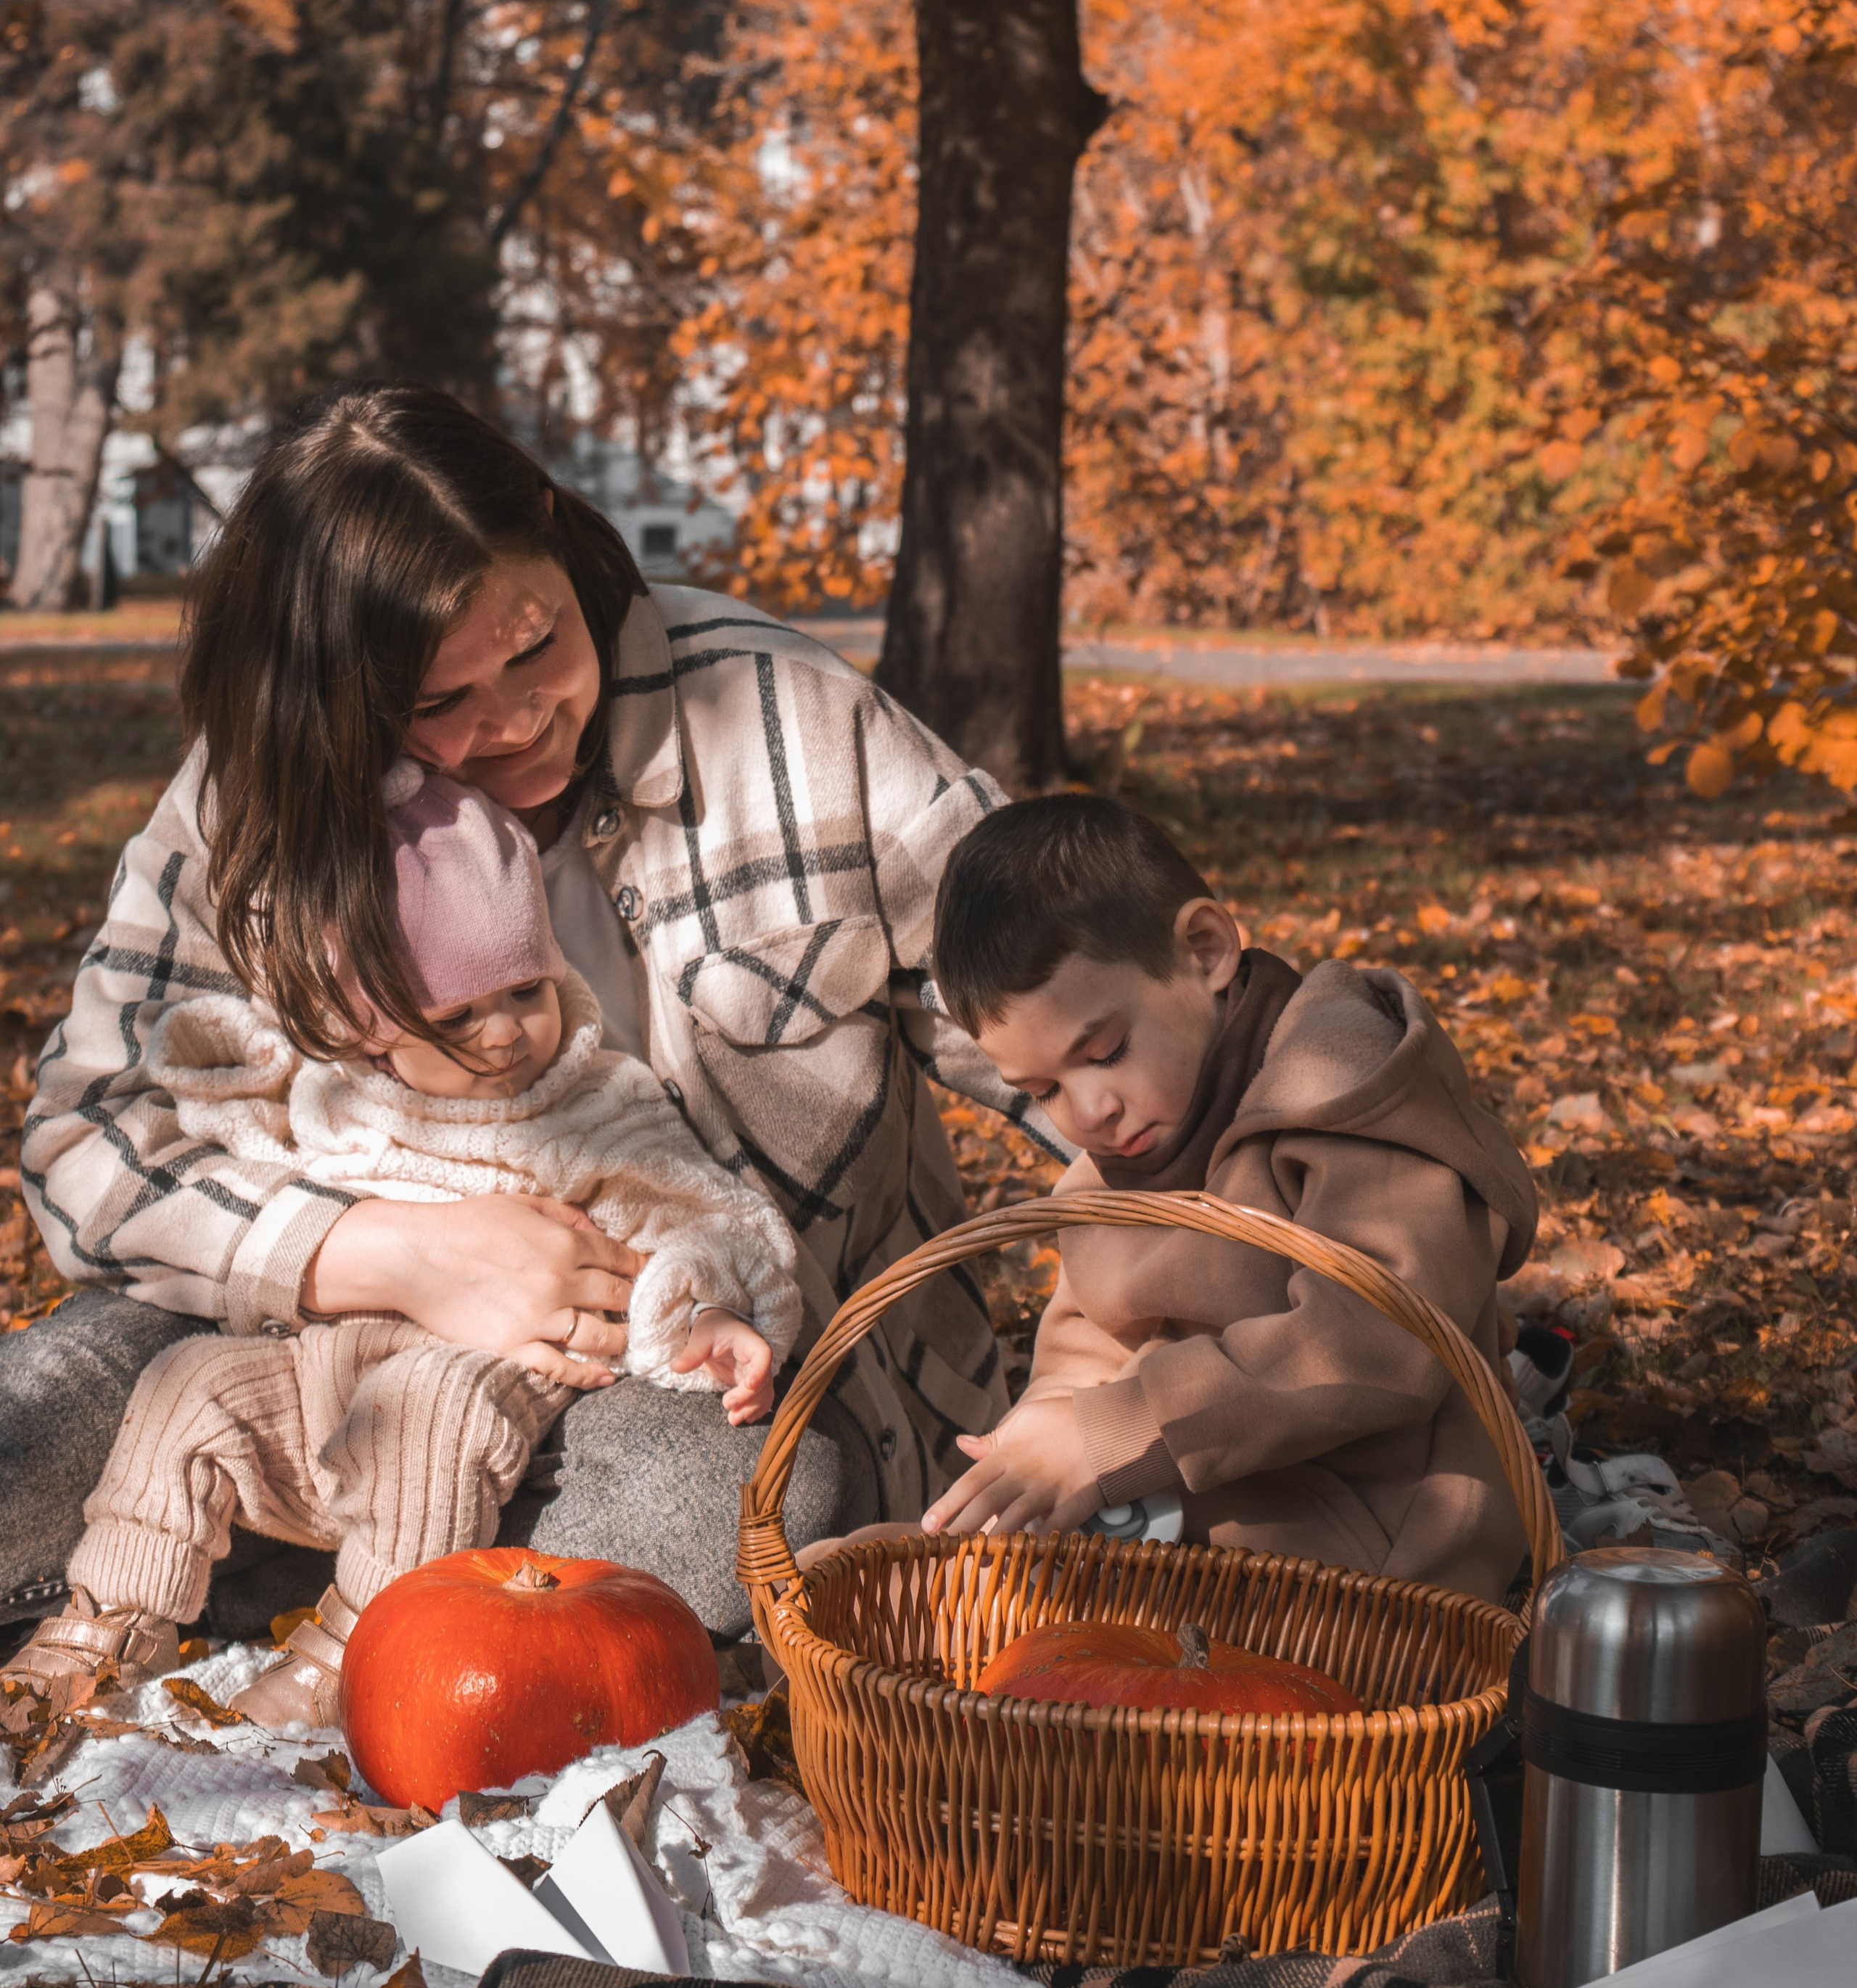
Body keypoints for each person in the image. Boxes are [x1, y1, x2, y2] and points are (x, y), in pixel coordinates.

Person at [10, 385, 1033, 1640]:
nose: (515, 719)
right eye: (437, 705)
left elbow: (1069, 999)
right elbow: (84, 1144)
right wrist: (391, 1255)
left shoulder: (780, 715)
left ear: (552, 530)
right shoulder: (265, 792)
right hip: (296, 1362)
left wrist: (1166, 1329)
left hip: (651, 1388)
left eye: (536, 645)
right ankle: (323, 1581)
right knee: (34, 1420)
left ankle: (305, 1597)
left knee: (733, 1505)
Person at [5, 760, 798, 1717]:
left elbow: (695, 1215)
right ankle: (112, 1620)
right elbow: (235, 1134)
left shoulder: (592, 1101)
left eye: (526, 991)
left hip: (485, 1381)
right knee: (190, 1385)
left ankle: (368, 1643)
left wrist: (698, 1309)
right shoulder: (343, 1095)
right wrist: (224, 1076)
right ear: (370, 1031)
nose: (504, 1033)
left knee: (429, 1403)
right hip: (320, 1372)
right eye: (457, 1016)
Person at [918, 794, 1537, 1601]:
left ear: (1205, 950)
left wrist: (1111, 1433)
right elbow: (1085, 1346)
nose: (1087, 1112)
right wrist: (1044, 1442)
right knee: (875, 1577)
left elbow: (1377, 1342)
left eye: (1105, 1050)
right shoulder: (1115, 1168)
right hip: (1184, 1532)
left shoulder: (1343, 1093)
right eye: (1043, 1091)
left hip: (1371, 1561)